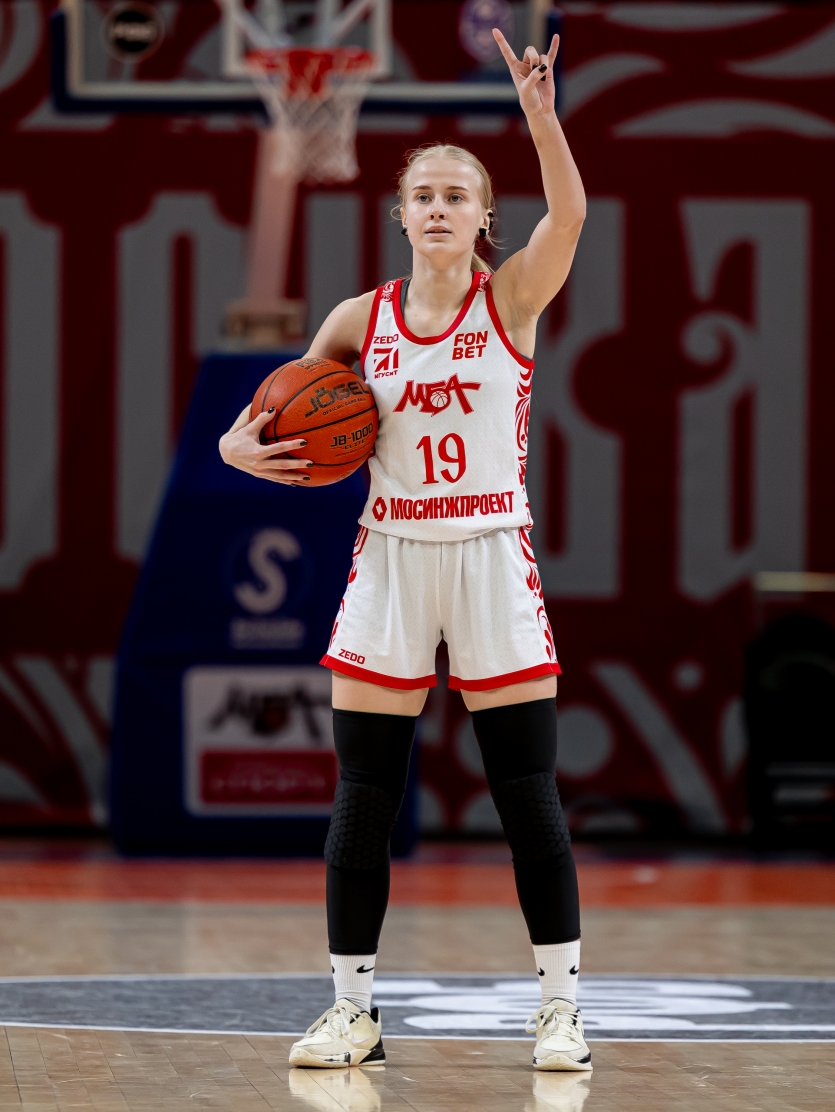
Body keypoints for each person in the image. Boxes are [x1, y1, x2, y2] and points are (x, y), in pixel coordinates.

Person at [220, 28, 588, 1072]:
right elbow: (276, 419)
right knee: (363, 799)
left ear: (482, 217)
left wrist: (540, 119)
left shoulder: (509, 298)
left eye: (455, 195)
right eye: (421, 194)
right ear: (399, 214)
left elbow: (570, 216)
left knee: (526, 795)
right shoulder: (359, 319)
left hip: (489, 552)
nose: (436, 207)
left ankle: (561, 1010)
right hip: (390, 557)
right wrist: (234, 448)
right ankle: (354, 1011)